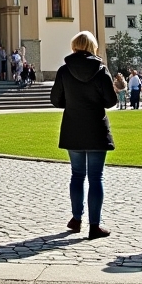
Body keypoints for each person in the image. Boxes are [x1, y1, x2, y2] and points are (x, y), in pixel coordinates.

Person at [50, 30, 117, 239]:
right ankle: (94, 225)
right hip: (96, 127)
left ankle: (76, 218)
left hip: (73, 127)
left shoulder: (64, 70)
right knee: (96, 177)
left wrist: (71, 104)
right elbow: (111, 101)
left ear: (74, 46)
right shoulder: (101, 70)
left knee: (77, 175)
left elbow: (56, 100)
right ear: (92, 47)